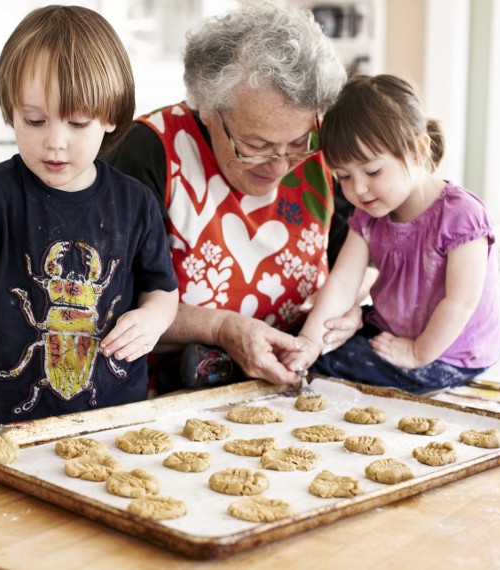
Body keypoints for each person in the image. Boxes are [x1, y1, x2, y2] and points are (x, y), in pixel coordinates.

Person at [0, 5, 179, 423]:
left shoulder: (136, 202)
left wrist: (152, 319)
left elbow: (161, 290)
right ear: (10, 112)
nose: (55, 141)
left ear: (109, 117)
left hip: (119, 423)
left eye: (76, 122)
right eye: (34, 121)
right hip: (18, 428)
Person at [106, 3, 362, 390]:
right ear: (207, 107)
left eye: (296, 143)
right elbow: (111, 302)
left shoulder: (325, 147)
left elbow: (362, 255)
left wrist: (352, 308)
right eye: (255, 145)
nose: (279, 166)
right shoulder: (150, 152)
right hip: (169, 399)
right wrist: (223, 328)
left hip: (300, 389)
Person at [283, 74, 500, 394]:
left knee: (330, 370)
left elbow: (461, 302)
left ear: (417, 150)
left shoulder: (461, 215)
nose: (357, 189)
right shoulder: (370, 216)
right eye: (344, 177)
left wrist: (416, 352)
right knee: (310, 348)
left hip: (449, 352)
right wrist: (310, 340)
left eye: (372, 171)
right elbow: (344, 280)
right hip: (393, 332)